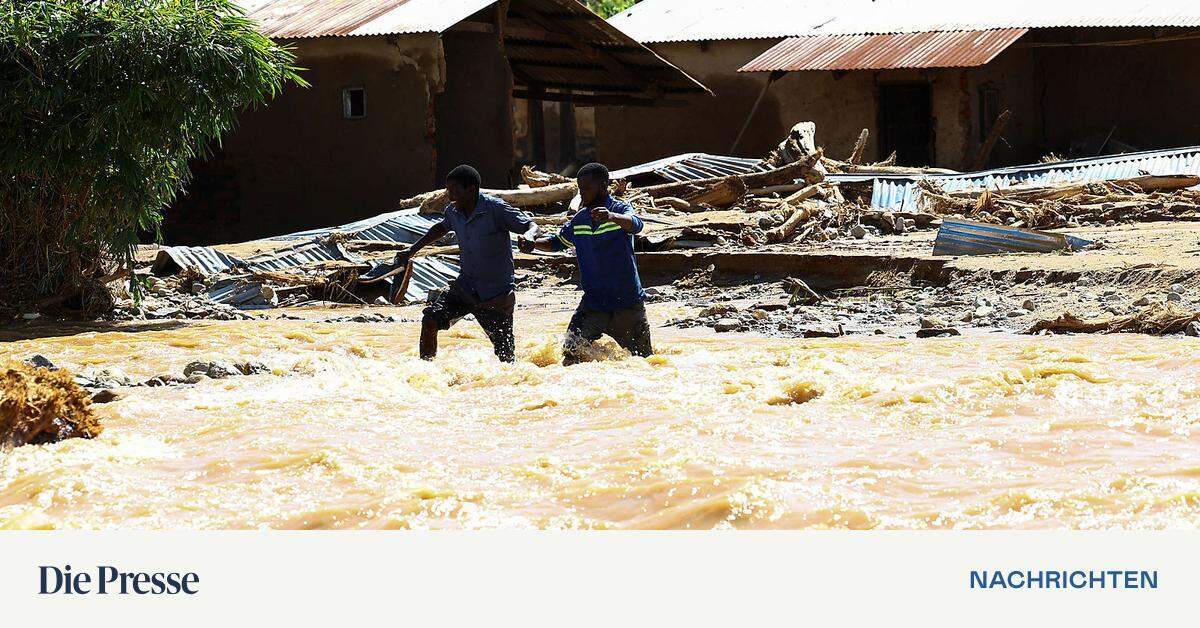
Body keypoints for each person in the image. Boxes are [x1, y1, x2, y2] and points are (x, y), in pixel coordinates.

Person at [395, 165, 539, 363]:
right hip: (465, 287)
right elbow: (442, 227)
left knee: (506, 357)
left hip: (495, 295)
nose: (449, 195)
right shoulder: (453, 211)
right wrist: (412, 249)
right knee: (430, 320)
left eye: (454, 191)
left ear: (471, 189)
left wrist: (529, 236)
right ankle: (426, 373)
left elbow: (531, 225)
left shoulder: (495, 209)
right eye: (448, 190)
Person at [520, 162, 652, 365]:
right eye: (580, 189)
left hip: (627, 304)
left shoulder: (619, 209)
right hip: (593, 305)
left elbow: (636, 224)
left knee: (645, 363)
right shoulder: (580, 219)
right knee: (570, 355)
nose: (582, 194)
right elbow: (556, 243)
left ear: (603, 186)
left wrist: (611, 217)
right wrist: (532, 245)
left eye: (587, 189)